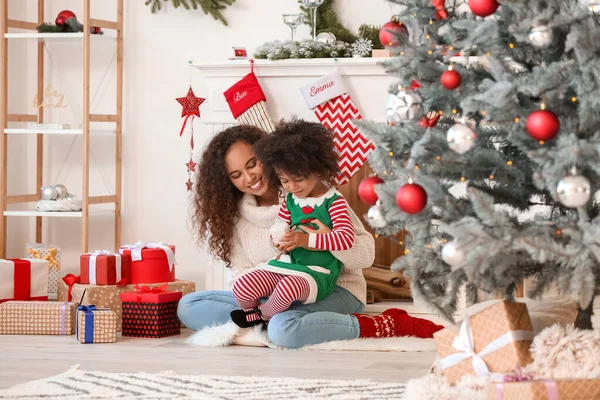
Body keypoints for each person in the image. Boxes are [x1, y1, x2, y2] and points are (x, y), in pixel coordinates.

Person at [178, 120, 443, 349]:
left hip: (334, 289)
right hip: (273, 297)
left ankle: (375, 325)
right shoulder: (235, 217)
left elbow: (364, 256)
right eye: (237, 174)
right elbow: (243, 275)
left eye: (253, 164)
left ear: (270, 157)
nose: (249, 177)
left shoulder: (316, 197)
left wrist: (324, 240)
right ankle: (270, 323)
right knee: (189, 306)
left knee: (284, 328)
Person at [228, 121, 355, 328]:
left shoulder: (334, 201)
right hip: (288, 265)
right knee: (243, 285)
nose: (293, 187)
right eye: (285, 181)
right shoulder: (290, 199)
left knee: (287, 288)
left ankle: (264, 316)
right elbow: (280, 224)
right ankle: (254, 314)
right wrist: (278, 239)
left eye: (298, 179)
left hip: (318, 273)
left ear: (318, 170)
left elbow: (346, 238)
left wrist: (307, 239)